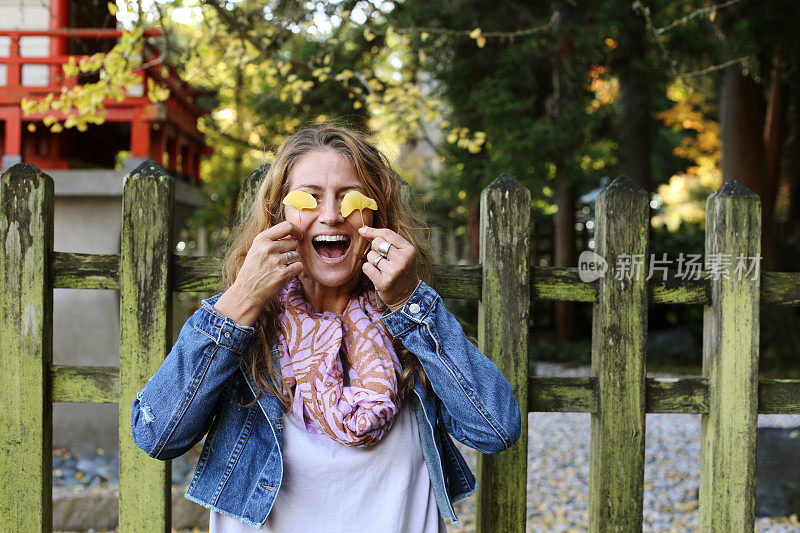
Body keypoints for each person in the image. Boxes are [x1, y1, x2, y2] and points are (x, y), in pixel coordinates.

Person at [130, 124, 522, 531]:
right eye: (309, 198)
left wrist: (411, 305)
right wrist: (242, 300)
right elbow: (158, 436)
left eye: (350, 198)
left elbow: (495, 429)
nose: (331, 215)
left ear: (377, 218)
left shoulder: (410, 325)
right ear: (277, 216)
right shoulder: (246, 327)